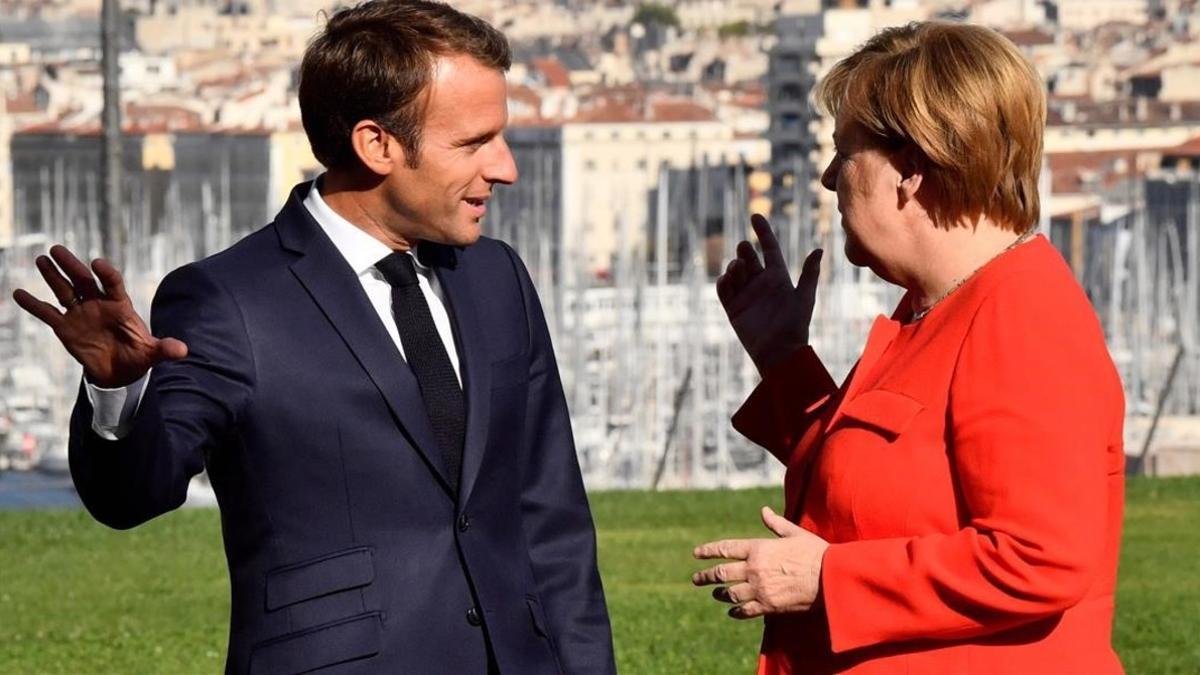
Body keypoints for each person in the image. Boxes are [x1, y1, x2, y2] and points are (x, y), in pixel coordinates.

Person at [12, 2, 615, 673]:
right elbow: (132, 495)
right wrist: (118, 390)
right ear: (377, 144)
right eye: (474, 143)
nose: (505, 168)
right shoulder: (228, 300)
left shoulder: (497, 276)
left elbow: (553, 521)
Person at [691, 21, 1125, 674]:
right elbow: (870, 479)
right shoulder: (938, 307)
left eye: (846, 151)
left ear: (912, 170)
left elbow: (1043, 554)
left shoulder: (1019, 314)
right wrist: (784, 356)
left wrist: (830, 578)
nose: (830, 176)